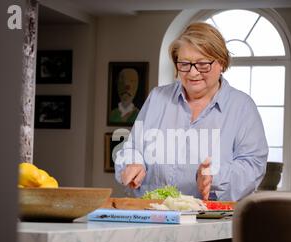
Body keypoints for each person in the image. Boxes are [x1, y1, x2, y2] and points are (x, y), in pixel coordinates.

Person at [114, 22, 268, 201]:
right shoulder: (157, 98)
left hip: (210, 223)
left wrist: (214, 176)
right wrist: (133, 163)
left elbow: (253, 166)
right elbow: (132, 148)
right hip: (152, 216)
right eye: (184, 64)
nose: (193, 73)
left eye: (203, 64)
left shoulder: (242, 107)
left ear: (222, 63)